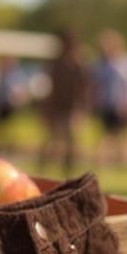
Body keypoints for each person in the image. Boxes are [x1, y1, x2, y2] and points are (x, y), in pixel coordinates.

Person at [38, 28, 89, 175]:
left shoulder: (78, 65)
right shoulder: (55, 64)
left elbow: (83, 90)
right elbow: (48, 88)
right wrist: (46, 109)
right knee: (50, 141)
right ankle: (44, 168)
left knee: (70, 142)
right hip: (56, 108)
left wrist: (80, 110)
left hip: (70, 108)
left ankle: (67, 170)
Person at [90, 29, 127, 166]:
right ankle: (103, 162)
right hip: (107, 104)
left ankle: (121, 161)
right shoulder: (100, 65)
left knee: (122, 135)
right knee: (106, 134)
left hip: (124, 105)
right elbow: (94, 85)